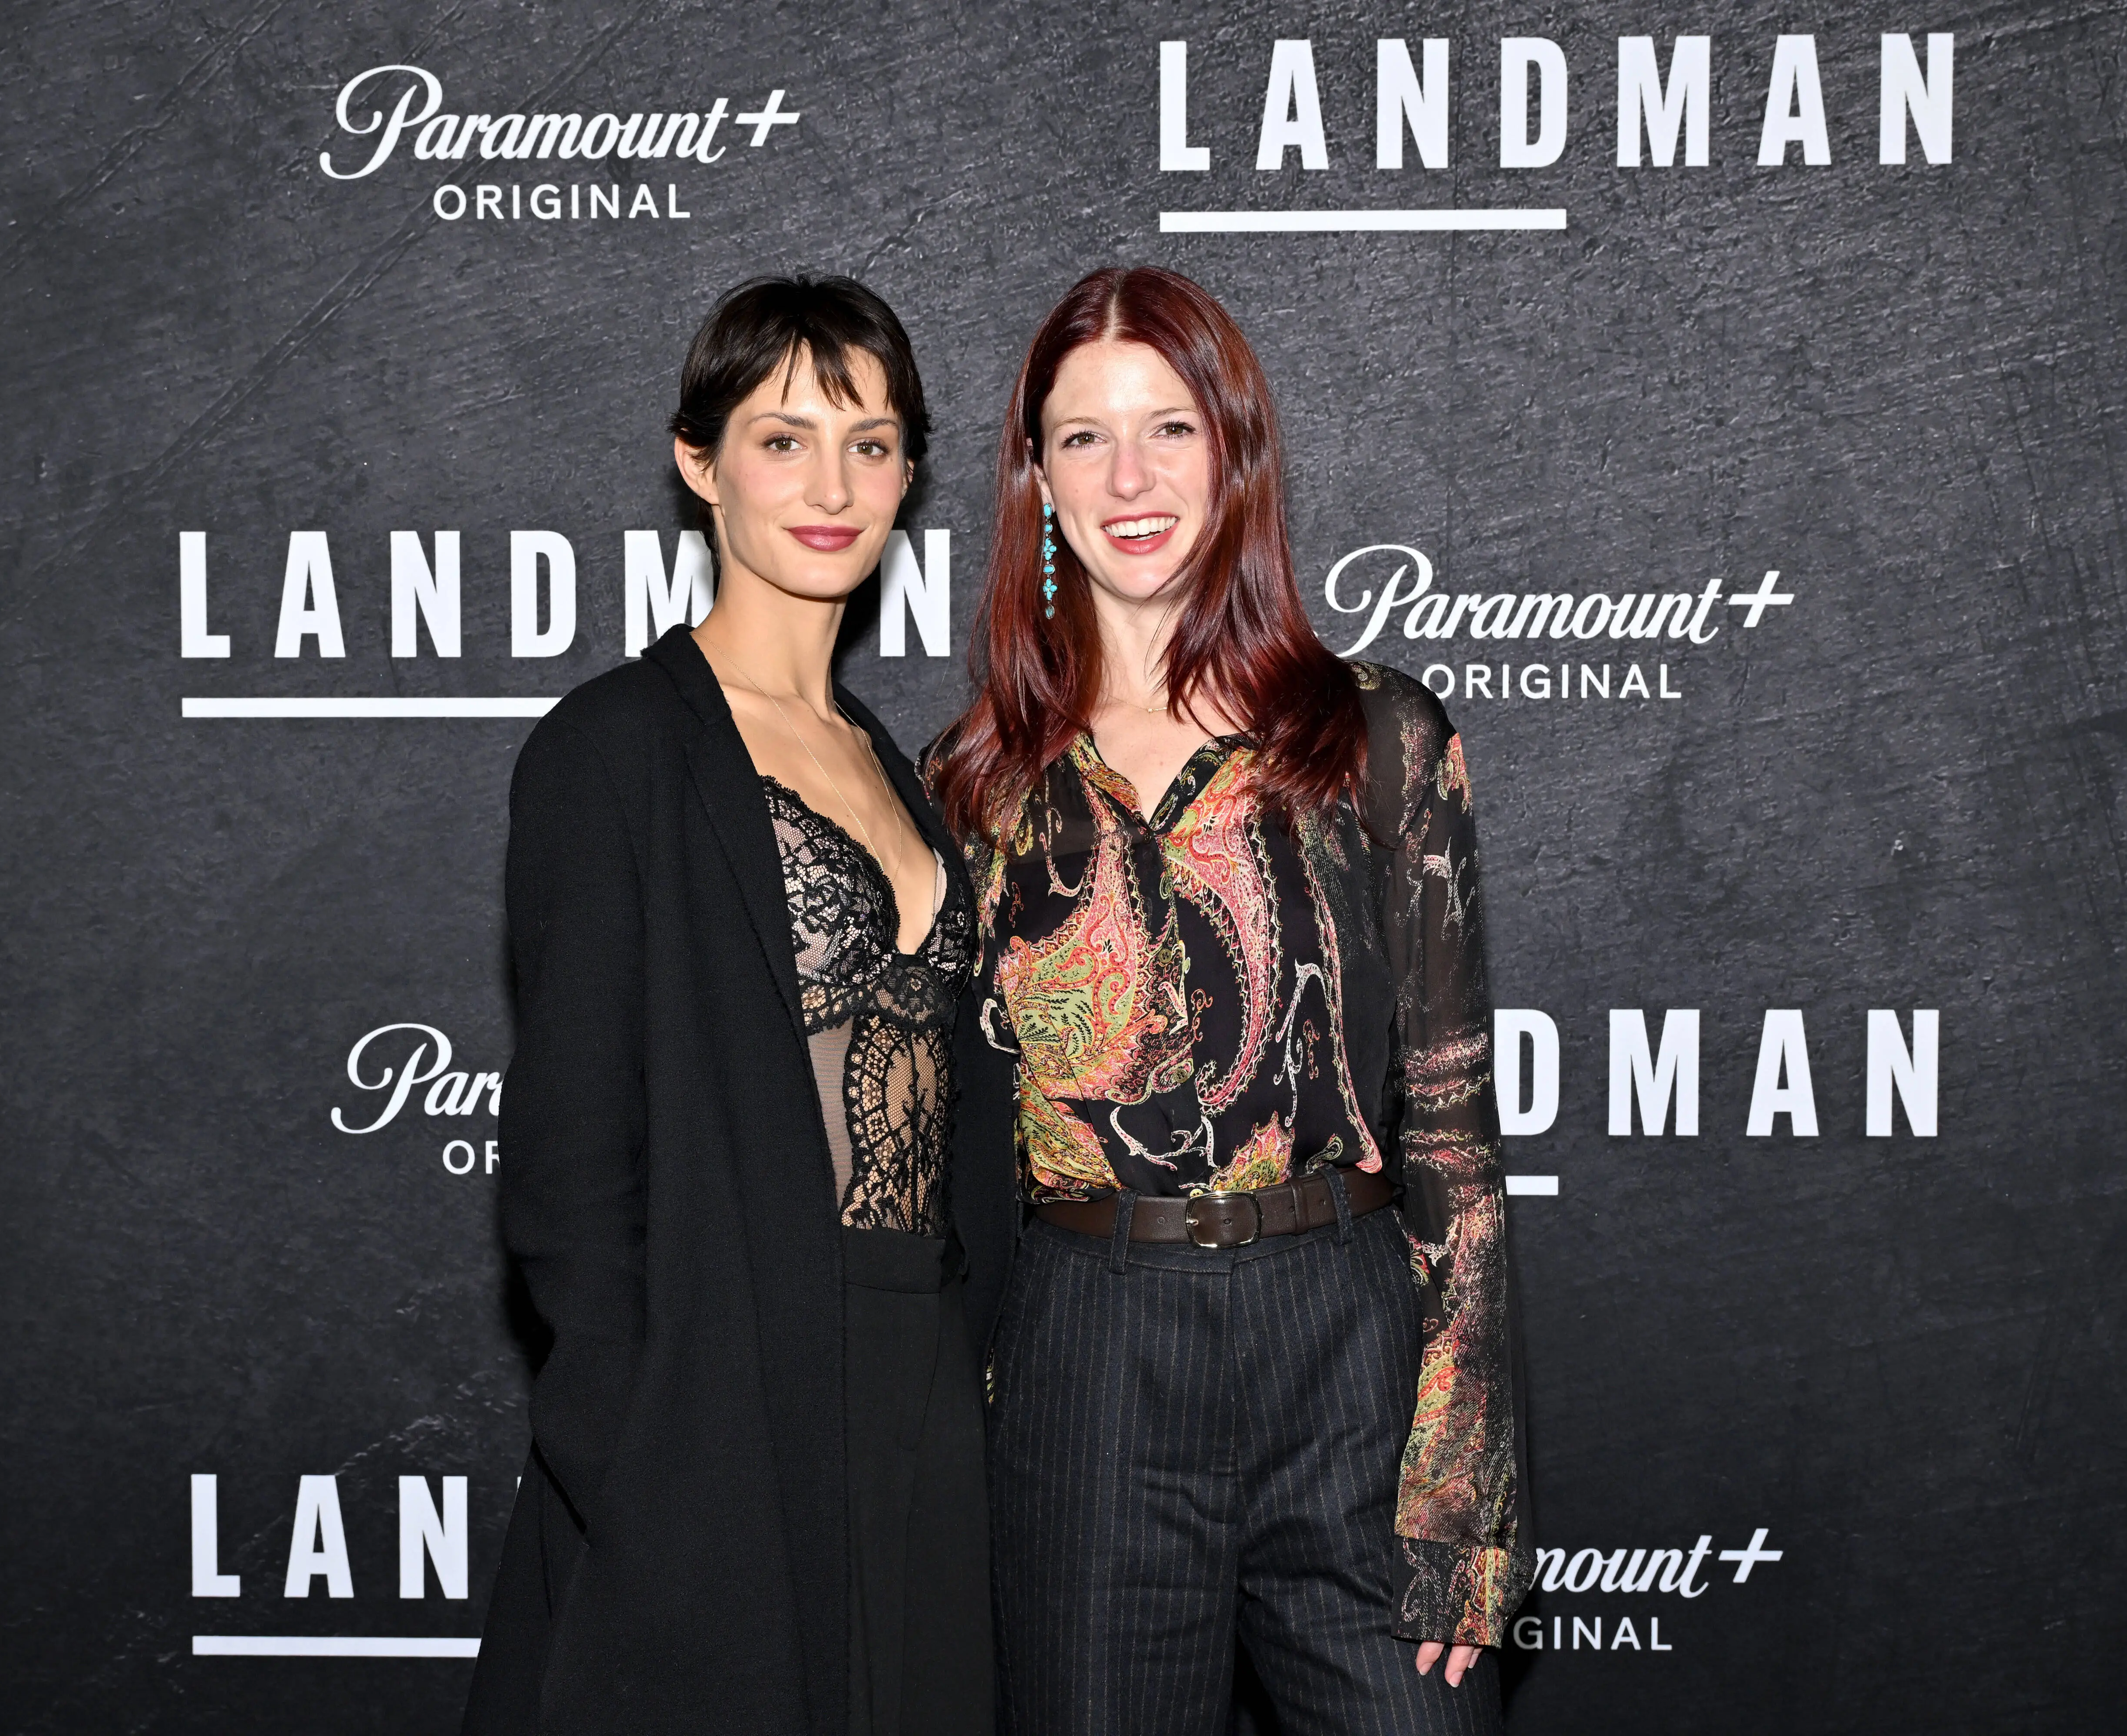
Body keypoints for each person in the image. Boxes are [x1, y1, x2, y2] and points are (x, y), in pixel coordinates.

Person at [927, 266, 1532, 1735]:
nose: (1129, 479)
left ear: (1235, 452)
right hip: (1090, 1359)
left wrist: (1467, 1478)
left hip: (1346, 1345)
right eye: (1084, 438)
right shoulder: (976, 784)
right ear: (1036, 479)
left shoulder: (1373, 736)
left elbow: (1452, 1127)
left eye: (1171, 428)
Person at [464, 276, 995, 1736]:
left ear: (909, 477)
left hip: (928, 1381)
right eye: (783, 440)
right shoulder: (616, 752)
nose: (832, 489)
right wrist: (642, 1463)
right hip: (732, 1402)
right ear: (699, 465)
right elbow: (570, 1182)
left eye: (871, 446)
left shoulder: (895, 767)